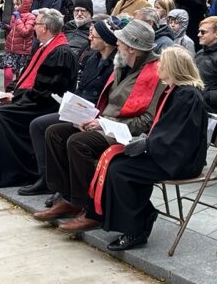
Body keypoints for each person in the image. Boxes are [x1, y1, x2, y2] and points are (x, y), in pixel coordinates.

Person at [36, 20, 164, 234]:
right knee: (55, 132)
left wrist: (104, 124)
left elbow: (148, 120)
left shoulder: (155, 72)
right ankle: (68, 196)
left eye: (120, 41)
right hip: (106, 122)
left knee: (78, 143)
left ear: (132, 47)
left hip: (127, 132)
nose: (117, 44)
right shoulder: (124, 64)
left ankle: (91, 209)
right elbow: (109, 102)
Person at [94, 47, 210, 251]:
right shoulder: (175, 90)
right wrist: (144, 141)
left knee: (121, 170)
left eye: (162, 65)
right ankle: (143, 216)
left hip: (179, 160)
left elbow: (177, 136)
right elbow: (164, 130)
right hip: (165, 151)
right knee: (116, 163)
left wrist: (146, 144)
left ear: (174, 68)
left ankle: (136, 230)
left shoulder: (188, 95)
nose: (158, 69)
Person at [0, 8, 77, 190]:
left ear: (46, 27)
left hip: (42, 106)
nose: (33, 27)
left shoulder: (60, 53)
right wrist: (12, 93)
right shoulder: (43, 47)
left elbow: (47, 92)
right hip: (32, 99)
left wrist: (16, 98)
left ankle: (10, 172)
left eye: (37, 24)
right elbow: (26, 78)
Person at [2, 0, 36, 83]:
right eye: (15, 4)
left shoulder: (31, 17)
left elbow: (25, 32)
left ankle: (17, 94)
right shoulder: (15, 16)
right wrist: (7, 28)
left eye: (18, 4)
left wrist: (18, 19)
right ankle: (7, 91)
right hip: (10, 49)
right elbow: (14, 30)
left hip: (22, 51)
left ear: (25, 4)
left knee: (20, 77)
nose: (16, 7)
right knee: (7, 74)